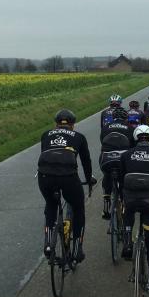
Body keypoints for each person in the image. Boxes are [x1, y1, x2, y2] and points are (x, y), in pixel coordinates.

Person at [37, 109, 96, 262]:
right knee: (78, 208)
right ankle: (77, 248)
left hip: (45, 176)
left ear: (56, 124)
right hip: (68, 177)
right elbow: (86, 161)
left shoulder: (45, 135)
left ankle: (49, 244)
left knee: (51, 205)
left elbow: (45, 155)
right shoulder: (79, 137)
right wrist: (89, 179)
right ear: (73, 124)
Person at [120, 125, 149, 295]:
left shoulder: (126, 155)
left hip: (131, 199)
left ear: (135, 138)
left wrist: (122, 197)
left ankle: (126, 240)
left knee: (128, 209)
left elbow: (121, 180)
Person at [99, 107, 133, 219]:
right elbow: (132, 146)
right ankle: (124, 202)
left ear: (113, 117)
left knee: (107, 175)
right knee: (124, 177)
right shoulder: (129, 127)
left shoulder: (105, 127)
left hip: (107, 158)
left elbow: (102, 142)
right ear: (126, 118)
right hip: (122, 158)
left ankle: (106, 201)